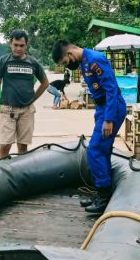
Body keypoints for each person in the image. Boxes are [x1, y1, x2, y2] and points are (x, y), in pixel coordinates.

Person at [52, 40, 127, 214]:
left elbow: (111, 90)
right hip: (102, 108)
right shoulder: (85, 61)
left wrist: (108, 119)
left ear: (70, 54)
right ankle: (103, 193)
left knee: (94, 150)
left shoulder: (95, 59)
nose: (67, 65)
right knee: (103, 150)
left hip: (112, 108)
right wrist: (100, 115)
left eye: (64, 62)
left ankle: (103, 195)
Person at [0, 30, 49, 159]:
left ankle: (20, 176)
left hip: (27, 111)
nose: (18, 48)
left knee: (23, 147)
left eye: (21, 45)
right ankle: (0, 175)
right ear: (10, 44)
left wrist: (33, 99)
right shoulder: (4, 61)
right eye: (15, 45)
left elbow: (45, 83)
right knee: (5, 145)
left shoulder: (33, 62)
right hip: (8, 110)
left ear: (26, 45)